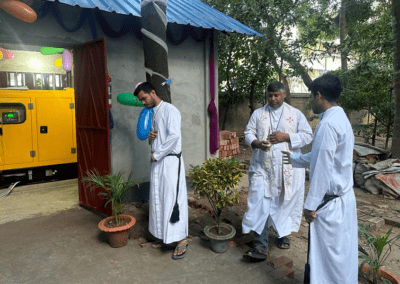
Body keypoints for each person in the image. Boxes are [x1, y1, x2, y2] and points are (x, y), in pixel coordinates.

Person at [282, 73, 358, 283]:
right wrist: (293, 159)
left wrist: (310, 205)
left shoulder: (327, 125)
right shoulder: (340, 118)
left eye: (310, 97)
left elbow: (323, 168)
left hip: (329, 203)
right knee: (339, 258)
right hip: (342, 199)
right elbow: (322, 156)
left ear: (318, 95)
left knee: (326, 262)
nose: (310, 102)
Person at [242, 81, 313, 261]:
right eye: (270, 95)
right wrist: (257, 143)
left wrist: (287, 136)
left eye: (276, 95)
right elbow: (248, 133)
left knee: (284, 202)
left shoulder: (295, 114)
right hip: (262, 168)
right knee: (259, 203)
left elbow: (307, 136)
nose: (273, 99)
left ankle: (283, 234)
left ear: (283, 95)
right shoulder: (258, 114)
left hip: (287, 168)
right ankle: (260, 246)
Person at [134, 82, 188, 260]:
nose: (143, 102)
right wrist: (151, 138)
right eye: (140, 100)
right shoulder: (153, 113)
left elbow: (173, 137)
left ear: (153, 92)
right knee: (159, 199)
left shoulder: (170, 110)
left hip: (170, 161)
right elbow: (159, 136)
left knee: (173, 199)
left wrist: (156, 154)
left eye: (144, 98)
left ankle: (180, 239)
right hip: (158, 161)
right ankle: (166, 237)